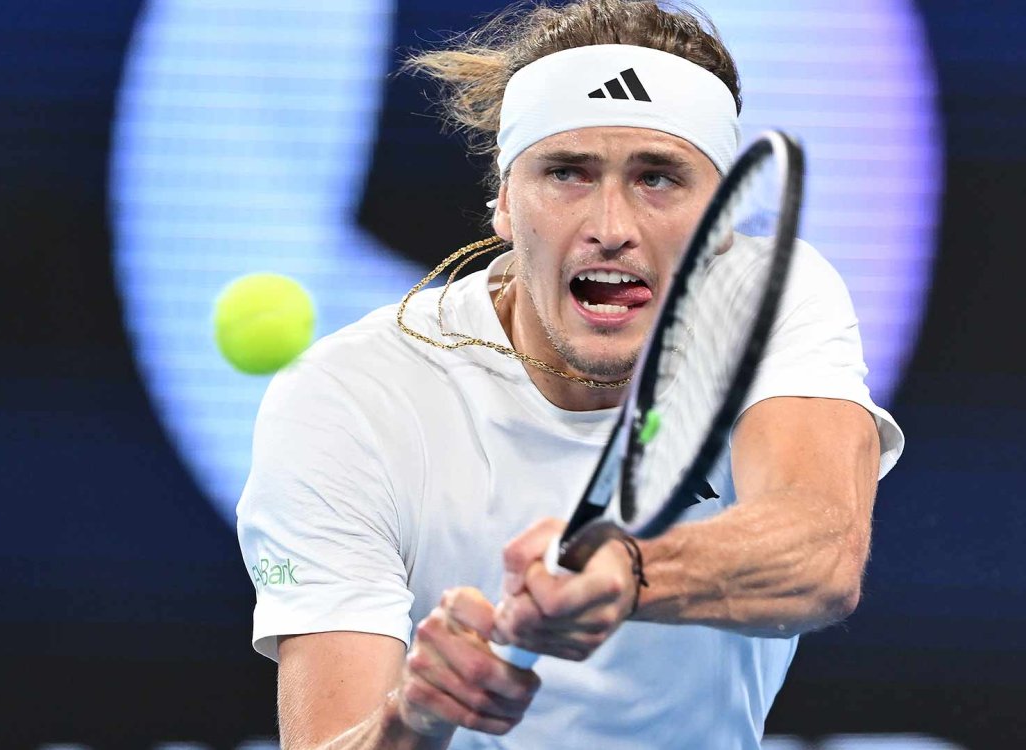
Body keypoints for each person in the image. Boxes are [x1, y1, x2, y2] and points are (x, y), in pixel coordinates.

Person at [236, 1, 904, 747]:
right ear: (504, 203)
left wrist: (627, 572)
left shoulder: (768, 298)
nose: (611, 228)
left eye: (658, 178)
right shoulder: (349, 396)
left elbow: (821, 549)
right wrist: (412, 719)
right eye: (567, 173)